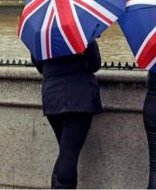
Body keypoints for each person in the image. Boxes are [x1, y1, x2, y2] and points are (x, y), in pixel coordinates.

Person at [31, 40, 102, 189]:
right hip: (80, 96)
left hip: (52, 97)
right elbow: (95, 63)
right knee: (69, 156)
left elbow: (39, 66)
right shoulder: (81, 33)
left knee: (65, 153)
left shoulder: (42, 34)